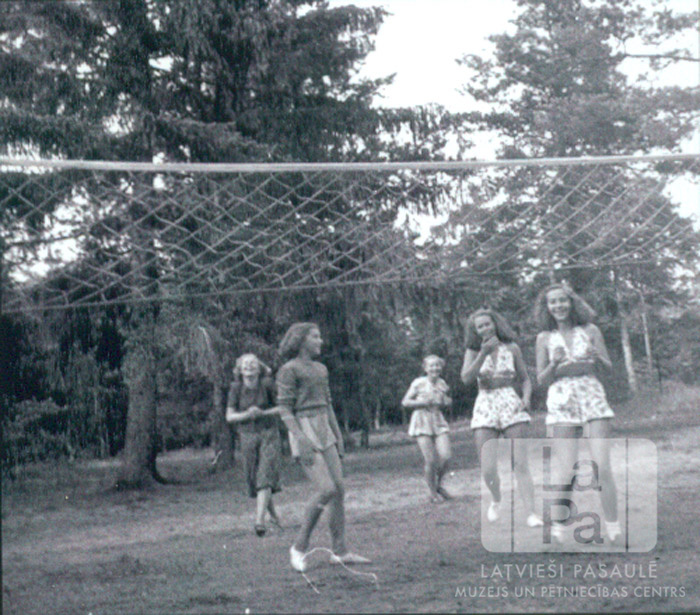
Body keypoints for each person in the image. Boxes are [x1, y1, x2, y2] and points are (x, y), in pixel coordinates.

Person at [275, 322, 371, 572]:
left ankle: (340, 552)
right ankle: (299, 547)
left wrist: (338, 437)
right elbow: (284, 408)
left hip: (325, 429)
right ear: (301, 340)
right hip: (303, 429)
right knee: (326, 489)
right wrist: (300, 438)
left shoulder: (321, 368)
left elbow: (327, 405)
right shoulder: (288, 369)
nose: (320, 341)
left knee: (338, 490)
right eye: (315, 337)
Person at [534, 282, 620, 543]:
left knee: (602, 467)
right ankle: (558, 529)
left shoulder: (590, 330)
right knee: (566, 472)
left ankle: (614, 528)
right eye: (553, 302)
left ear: (571, 303)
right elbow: (541, 380)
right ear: (547, 308)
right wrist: (554, 363)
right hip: (562, 403)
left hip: (592, 398)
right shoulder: (544, 338)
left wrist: (597, 356)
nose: (559, 306)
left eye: (563, 300)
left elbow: (608, 368)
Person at [460, 308, 543, 528]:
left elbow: (525, 379)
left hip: (509, 401)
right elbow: (466, 378)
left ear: (495, 324)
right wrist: (483, 354)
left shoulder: (512, 348)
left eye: (488, 324)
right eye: (480, 326)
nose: (485, 329)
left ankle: (532, 513)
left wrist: (526, 398)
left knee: (520, 463)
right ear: (475, 331)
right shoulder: (473, 351)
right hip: (485, 403)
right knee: (488, 468)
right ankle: (496, 499)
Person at [225, 353, 282, 537]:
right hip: (247, 435)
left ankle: (259, 521)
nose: (249, 366)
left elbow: (283, 407)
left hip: (268, 433)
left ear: (259, 369)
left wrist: (263, 413)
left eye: (253, 363)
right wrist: (247, 414)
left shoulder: (267, 384)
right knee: (255, 478)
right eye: (245, 364)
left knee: (265, 474)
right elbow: (229, 416)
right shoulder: (236, 388)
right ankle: (274, 516)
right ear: (240, 370)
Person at [401, 355, 453, 503]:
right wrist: (423, 402)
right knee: (430, 460)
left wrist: (446, 402)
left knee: (446, 457)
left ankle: (438, 485)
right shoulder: (418, 383)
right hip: (421, 421)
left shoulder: (442, 383)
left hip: (438, 420)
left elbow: (446, 401)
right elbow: (405, 402)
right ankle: (432, 492)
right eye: (431, 366)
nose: (435, 368)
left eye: (437, 365)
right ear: (425, 368)